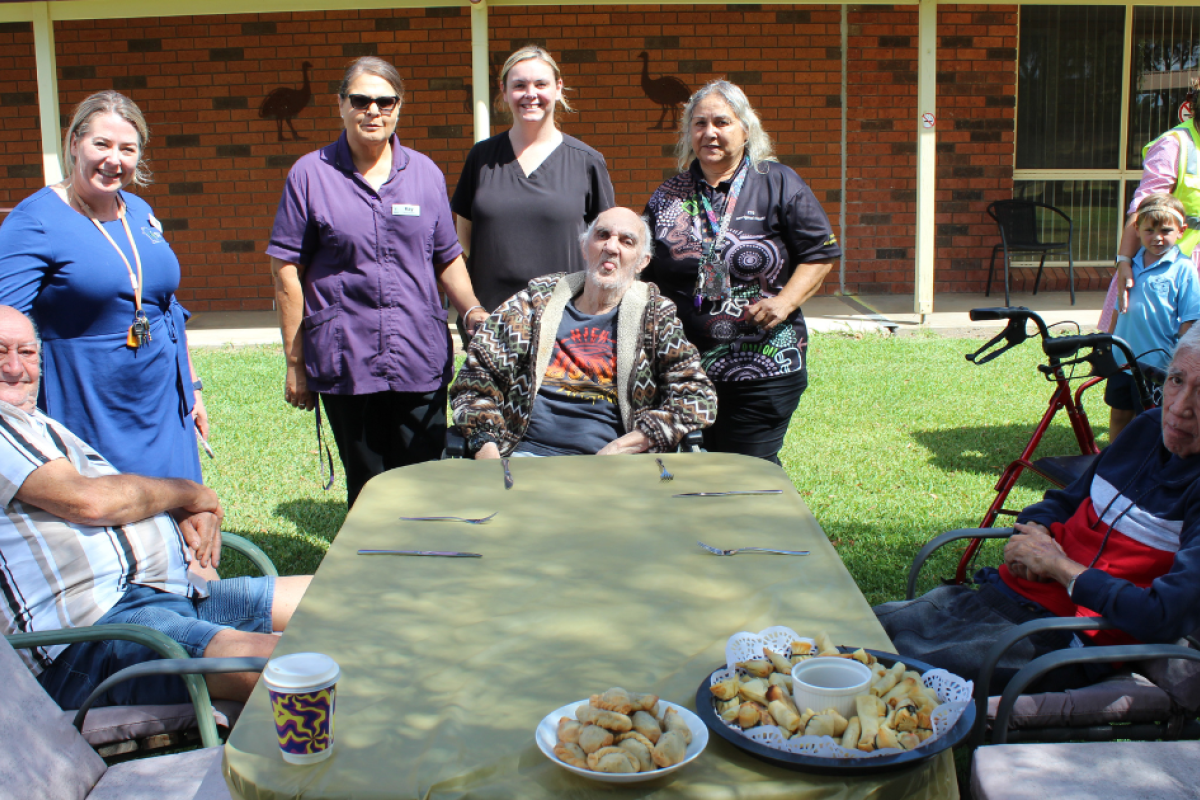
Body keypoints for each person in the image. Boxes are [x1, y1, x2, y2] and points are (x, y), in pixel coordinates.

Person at [0, 306, 310, 710]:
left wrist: (174, 512)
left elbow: (99, 499)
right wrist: (190, 493)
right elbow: (90, 501)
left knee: (348, 598)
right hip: (96, 634)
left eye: (27, 352)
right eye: (0, 352)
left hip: (163, 597)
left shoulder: (37, 423)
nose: (15, 367)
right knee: (304, 667)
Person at [875, 324, 1200, 695]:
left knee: (885, 670)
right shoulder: (1145, 430)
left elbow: (1164, 615)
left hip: (1060, 638)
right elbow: (1063, 501)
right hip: (1000, 596)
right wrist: (1034, 535)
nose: (1179, 406)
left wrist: (1058, 567)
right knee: (858, 630)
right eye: (1176, 380)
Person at [268, 57, 480, 507]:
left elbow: (446, 256)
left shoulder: (424, 173)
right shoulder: (309, 174)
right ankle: (372, 570)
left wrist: (472, 308)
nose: (373, 111)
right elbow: (287, 270)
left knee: (426, 477)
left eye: (385, 101)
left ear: (399, 107)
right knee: (367, 481)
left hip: (417, 352)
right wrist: (294, 362)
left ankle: (426, 564)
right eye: (360, 100)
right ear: (340, 105)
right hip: (347, 356)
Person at [0, 91, 206, 482]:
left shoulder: (139, 211)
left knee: (179, 510)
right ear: (75, 142)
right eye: (102, 144)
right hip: (89, 401)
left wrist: (191, 387)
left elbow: (167, 306)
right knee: (113, 518)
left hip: (162, 398)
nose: (115, 159)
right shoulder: (34, 222)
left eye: (128, 149)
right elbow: (4, 324)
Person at [643, 80, 840, 465]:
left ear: (746, 129)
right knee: (694, 472)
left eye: (722, 122)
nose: (709, 133)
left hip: (763, 366)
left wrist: (784, 303)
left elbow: (820, 255)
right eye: (699, 124)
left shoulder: (779, 182)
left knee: (748, 472)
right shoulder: (669, 194)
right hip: (686, 371)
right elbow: (645, 264)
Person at [450, 207, 717, 458]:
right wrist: (486, 449)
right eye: (602, 236)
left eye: (627, 241)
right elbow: (475, 381)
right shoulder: (533, 304)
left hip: (613, 468)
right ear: (584, 247)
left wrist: (634, 442)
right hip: (525, 458)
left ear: (642, 262)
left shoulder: (655, 317)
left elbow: (697, 398)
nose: (611, 247)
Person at [451, 45, 615, 325]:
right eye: (519, 85)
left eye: (541, 84)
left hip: (565, 322)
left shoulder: (587, 161)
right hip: (492, 320)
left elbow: (607, 243)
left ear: (558, 87)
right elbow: (463, 234)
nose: (530, 94)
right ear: (503, 91)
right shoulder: (481, 158)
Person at [1099, 78, 1200, 332]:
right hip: (1170, 263)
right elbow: (1144, 208)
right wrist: (1124, 261)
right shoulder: (1174, 143)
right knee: (1139, 348)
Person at [1105, 194, 1199, 441]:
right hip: (1122, 358)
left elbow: (1190, 320)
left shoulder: (1184, 269)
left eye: (1166, 230)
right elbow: (1118, 308)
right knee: (1119, 413)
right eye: (1149, 230)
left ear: (1181, 231)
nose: (1157, 237)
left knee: (1148, 417)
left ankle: (1144, 465)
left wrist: (1179, 359)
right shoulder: (1129, 265)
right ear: (1137, 229)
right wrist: (1107, 342)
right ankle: (1113, 461)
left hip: (1157, 363)